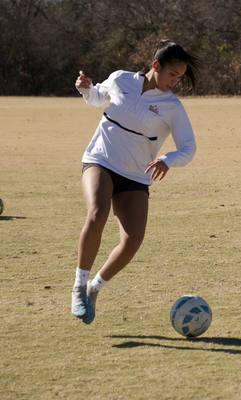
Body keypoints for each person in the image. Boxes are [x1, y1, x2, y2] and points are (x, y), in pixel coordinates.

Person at [71, 39, 200, 324]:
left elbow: (189, 148)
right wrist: (86, 89)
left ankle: (95, 288)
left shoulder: (172, 107)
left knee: (132, 241)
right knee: (97, 213)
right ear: (155, 66)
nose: (176, 81)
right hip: (100, 159)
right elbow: (97, 98)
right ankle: (79, 286)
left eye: (180, 77)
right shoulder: (120, 79)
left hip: (135, 174)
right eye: (172, 75)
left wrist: (167, 160)